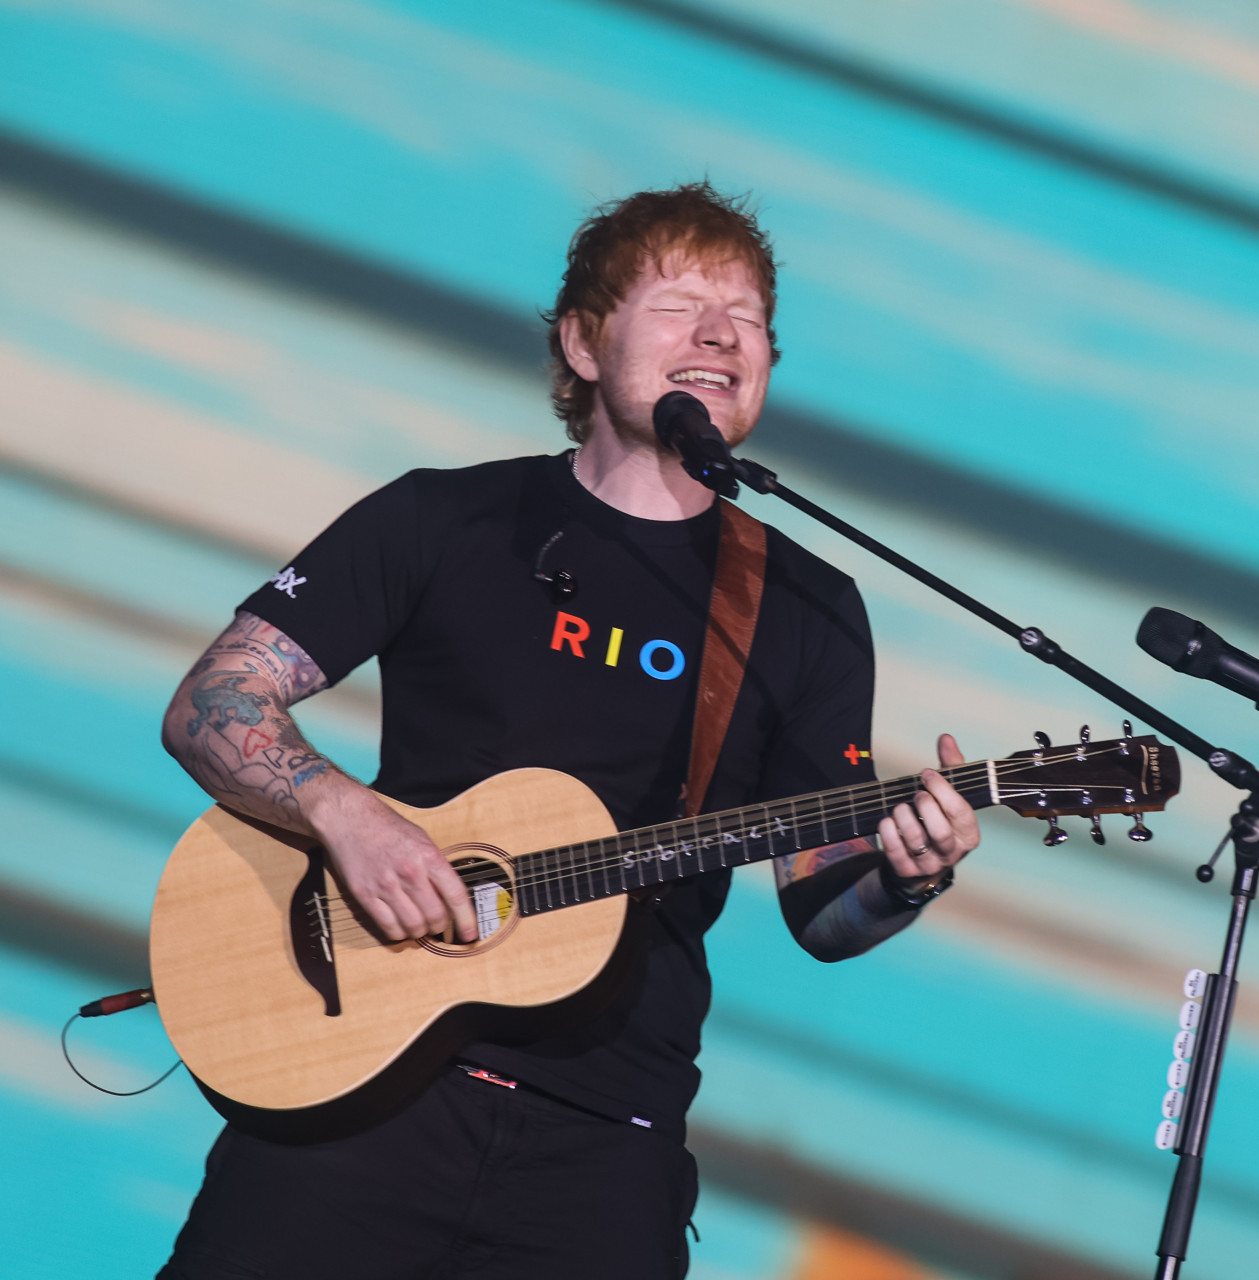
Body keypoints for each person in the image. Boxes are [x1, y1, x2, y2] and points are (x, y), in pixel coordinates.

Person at [155, 182, 980, 1279]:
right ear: (583, 341)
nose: (722, 335)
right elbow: (215, 702)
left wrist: (904, 876)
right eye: (681, 304)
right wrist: (342, 811)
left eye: (748, 318)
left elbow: (824, 909)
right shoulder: (444, 519)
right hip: (358, 1096)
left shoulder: (806, 606)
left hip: (604, 1151)